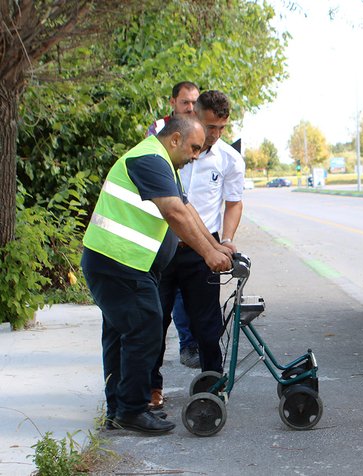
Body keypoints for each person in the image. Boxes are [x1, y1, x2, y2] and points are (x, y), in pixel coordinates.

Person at [81, 117, 233, 434]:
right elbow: (174, 213)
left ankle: (118, 411)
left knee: (122, 336)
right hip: (118, 263)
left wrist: (216, 246)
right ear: (175, 139)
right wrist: (209, 255)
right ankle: (132, 410)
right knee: (145, 331)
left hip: (123, 263)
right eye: (193, 148)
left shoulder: (162, 163)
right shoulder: (149, 159)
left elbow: (187, 210)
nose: (196, 155)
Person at [149, 90, 246, 409]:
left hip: (204, 248)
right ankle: (151, 389)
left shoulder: (229, 159)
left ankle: (213, 386)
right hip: (162, 245)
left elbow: (233, 203)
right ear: (194, 117)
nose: (215, 136)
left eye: (221, 129)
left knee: (207, 324)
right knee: (155, 321)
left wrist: (227, 240)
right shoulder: (168, 149)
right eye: (210, 127)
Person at [146, 81, 202, 369]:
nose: (191, 107)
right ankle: (151, 387)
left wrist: (214, 245)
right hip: (166, 237)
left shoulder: (206, 134)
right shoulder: (160, 132)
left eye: (195, 102)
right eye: (185, 102)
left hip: (195, 238)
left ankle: (192, 350)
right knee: (157, 314)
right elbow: (175, 206)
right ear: (173, 103)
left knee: (197, 310)